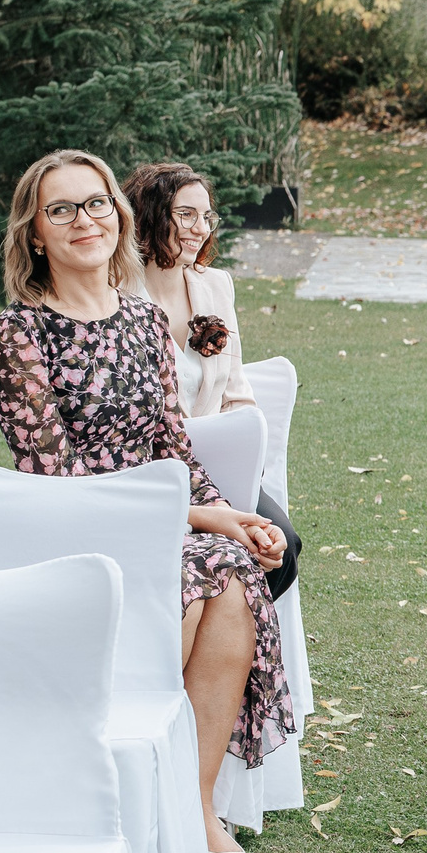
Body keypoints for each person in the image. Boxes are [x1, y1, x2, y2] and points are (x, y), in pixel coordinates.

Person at [0, 149, 291, 853]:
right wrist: (197, 522)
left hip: (159, 525)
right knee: (202, 569)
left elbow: (174, 450)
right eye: (61, 209)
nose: (83, 220)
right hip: (70, 530)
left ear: (118, 217)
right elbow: (56, 475)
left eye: (95, 204)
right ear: (35, 234)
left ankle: (192, 801)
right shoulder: (17, 334)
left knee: (232, 569)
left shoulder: (147, 321)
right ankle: (126, 793)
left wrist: (230, 515)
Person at [123, 162, 300, 600]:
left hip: (219, 470)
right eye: (185, 215)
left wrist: (245, 455)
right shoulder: (114, 294)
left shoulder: (215, 286)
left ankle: (232, 659)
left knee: (281, 546)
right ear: (149, 215)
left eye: (206, 217)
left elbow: (237, 394)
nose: (199, 228)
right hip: (149, 467)